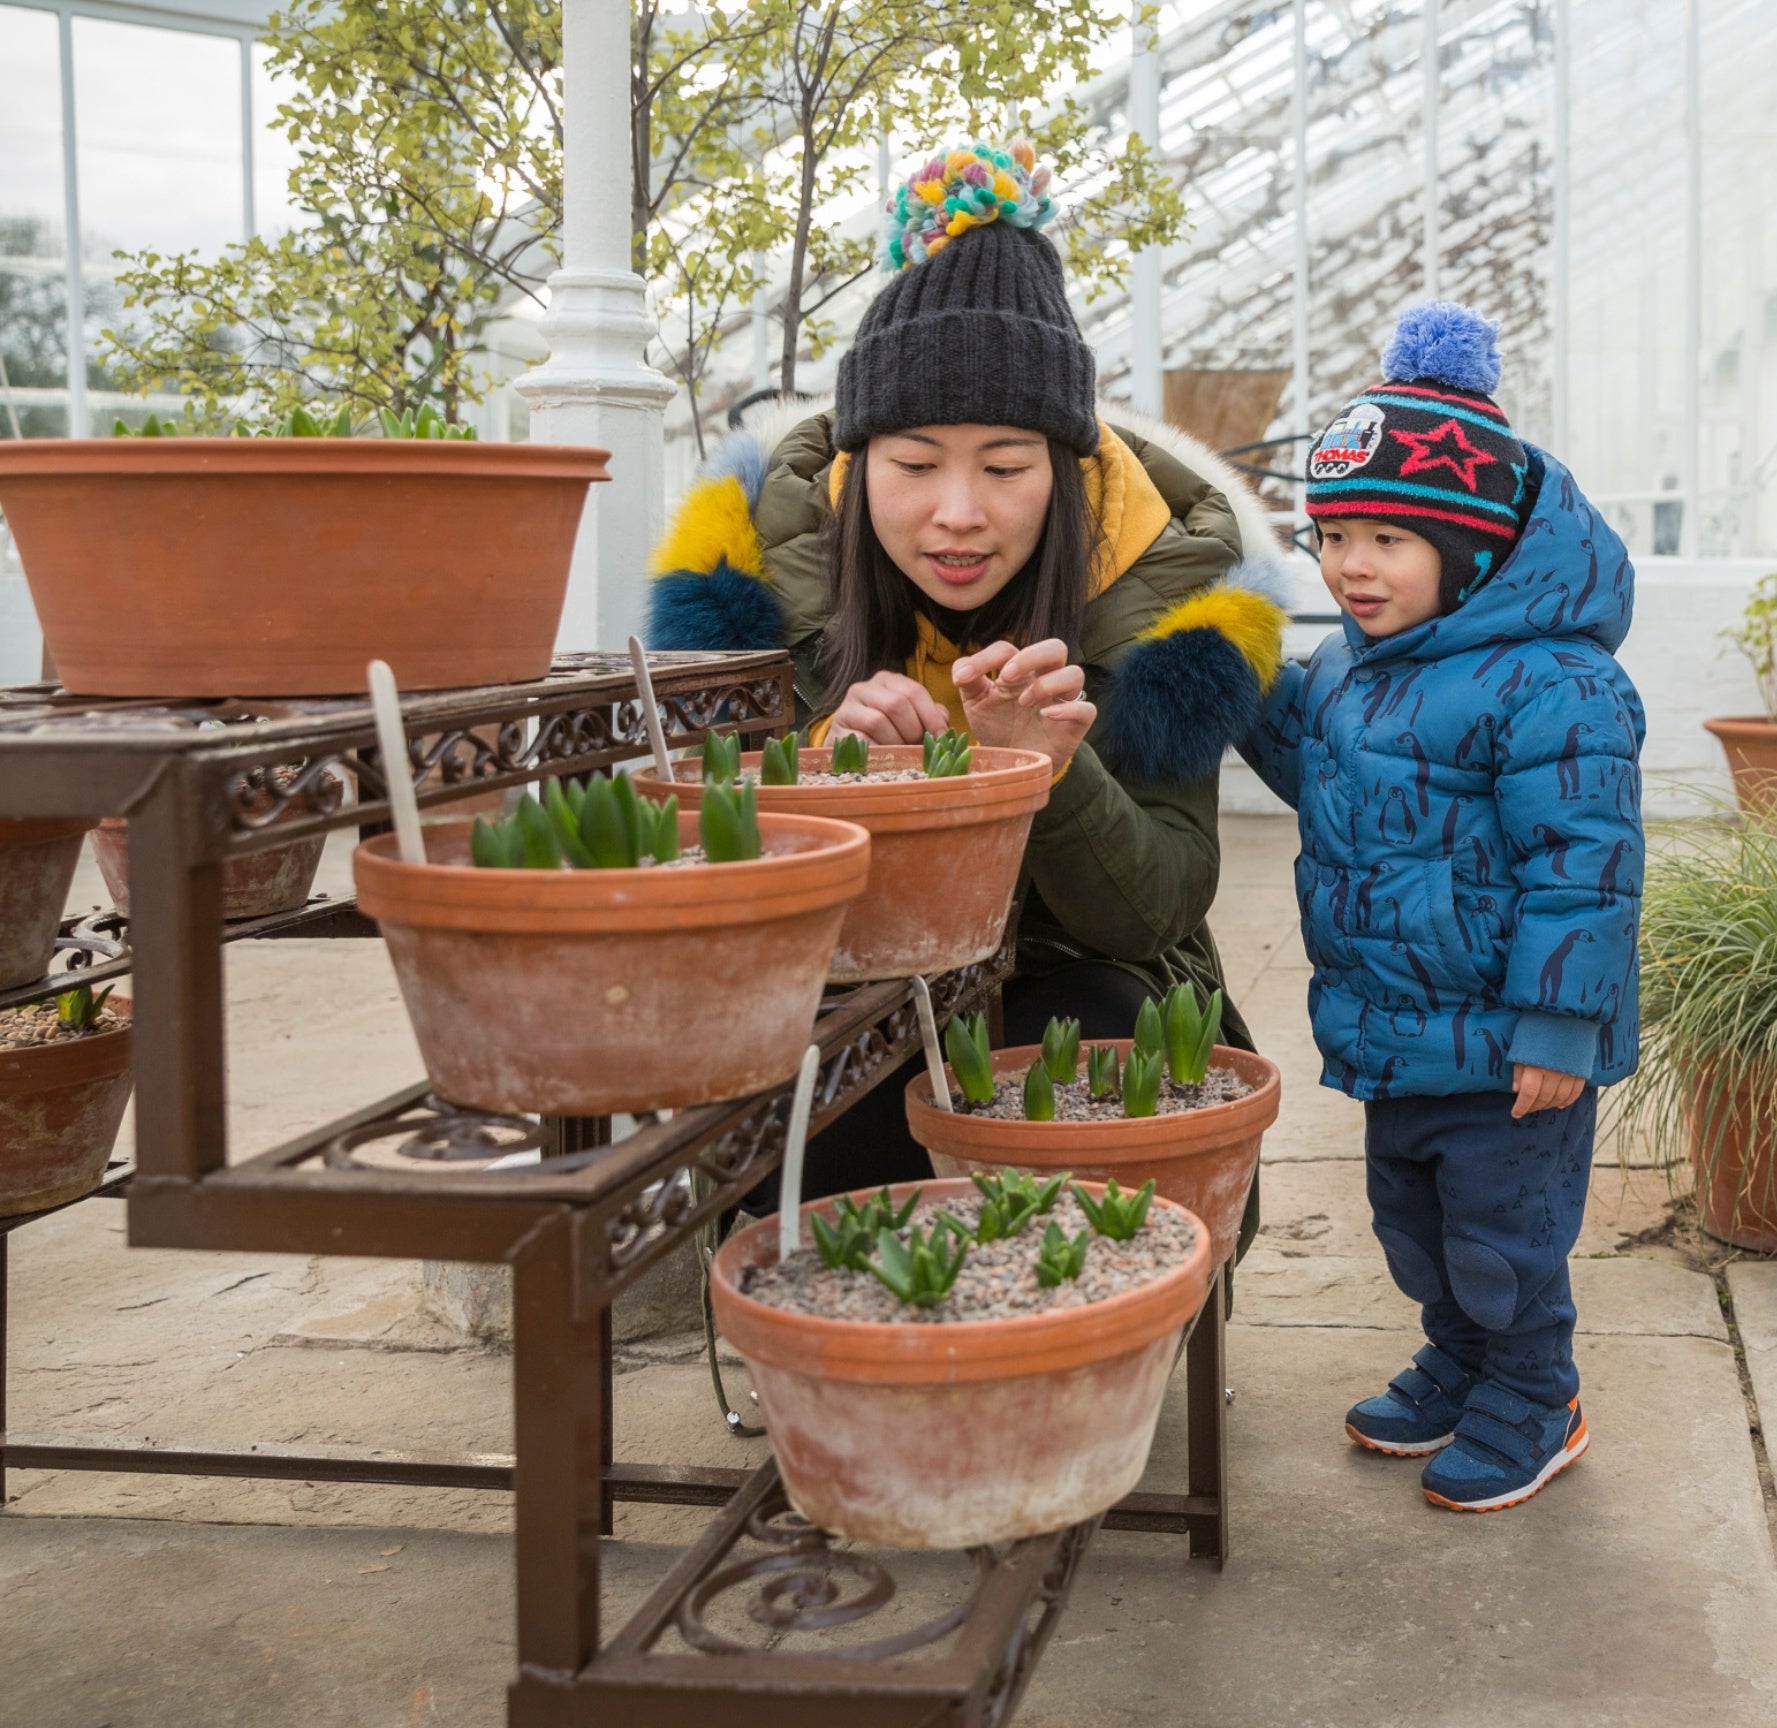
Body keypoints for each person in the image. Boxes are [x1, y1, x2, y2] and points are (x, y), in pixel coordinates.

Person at [646, 139, 1288, 1206]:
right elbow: (703, 873)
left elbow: (1156, 910)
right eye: (912, 465)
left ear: (1066, 473)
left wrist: (1043, 771)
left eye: (1004, 467)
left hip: (1081, 982)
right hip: (850, 980)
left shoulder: (1161, 599)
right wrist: (817, 766)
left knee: (1092, 1044)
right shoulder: (755, 586)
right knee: (817, 1103)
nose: (957, 512)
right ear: (855, 468)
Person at [1240, 303, 1645, 1513]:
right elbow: (1314, 771)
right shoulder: (1355, 670)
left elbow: (1587, 866)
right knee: (1412, 1224)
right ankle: (1460, 1361)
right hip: (1399, 1028)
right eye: (1333, 536)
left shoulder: (1557, 681)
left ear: (1471, 551)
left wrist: (1560, 1029)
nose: (1350, 566)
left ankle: (1535, 1393)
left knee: (1504, 1238)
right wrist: (1234, 679)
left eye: (1387, 539)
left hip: (1511, 1048)